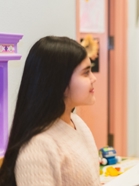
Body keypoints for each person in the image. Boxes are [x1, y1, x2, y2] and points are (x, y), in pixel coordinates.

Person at [0, 36, 100, 185]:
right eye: (85, 73)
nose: (93, 79)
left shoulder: (78, 123)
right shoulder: (36, 148)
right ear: (59, 81)